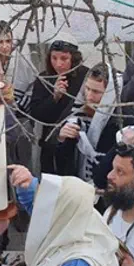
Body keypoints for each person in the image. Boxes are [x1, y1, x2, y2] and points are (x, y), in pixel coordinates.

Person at [29, 34, 89, 174]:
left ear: (73, 59)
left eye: (64, 59)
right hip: (51, 146)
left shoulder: (86, 76)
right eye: (54, 58)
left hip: (78, 145)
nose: (58, 64)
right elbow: (36, 114)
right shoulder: (44, 78)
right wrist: (54, 98)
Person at [0, 20, 37, 114]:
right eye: (0, 42)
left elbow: (33, 85)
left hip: (20, 110)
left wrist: (19, 104)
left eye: (8, 41)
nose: (5, 46)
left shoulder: (21, 59)